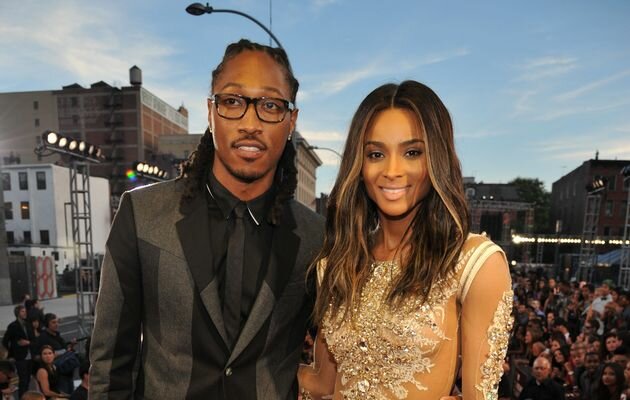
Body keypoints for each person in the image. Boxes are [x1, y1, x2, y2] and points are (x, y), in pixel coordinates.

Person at [89, 39, 325, 400]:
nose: (250, 123)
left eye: (270, 105)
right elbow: (111, 365)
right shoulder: (142, 214)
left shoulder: (316, 237)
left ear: (291, 120)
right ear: (211, 111)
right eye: (232, 102)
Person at [298, 81, 513, 399]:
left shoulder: (474, 264)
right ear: (359, 165)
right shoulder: (337, 263)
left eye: (412, 152)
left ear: (436, 159)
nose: (392, 170)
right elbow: (322, 384)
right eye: (376, 153)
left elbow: (481, 395)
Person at [2, 305, 33, 397]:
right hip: (20, 357)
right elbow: (5, 341)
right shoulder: (13, 326)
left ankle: (26, 397)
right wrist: (11, 354)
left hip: (30, 355)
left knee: (27, 380)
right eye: (23, 311)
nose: (25, 313)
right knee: (23, 380)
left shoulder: (28, 324)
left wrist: (28, 342)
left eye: (25, 311)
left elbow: (34, 340)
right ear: (17, 313)